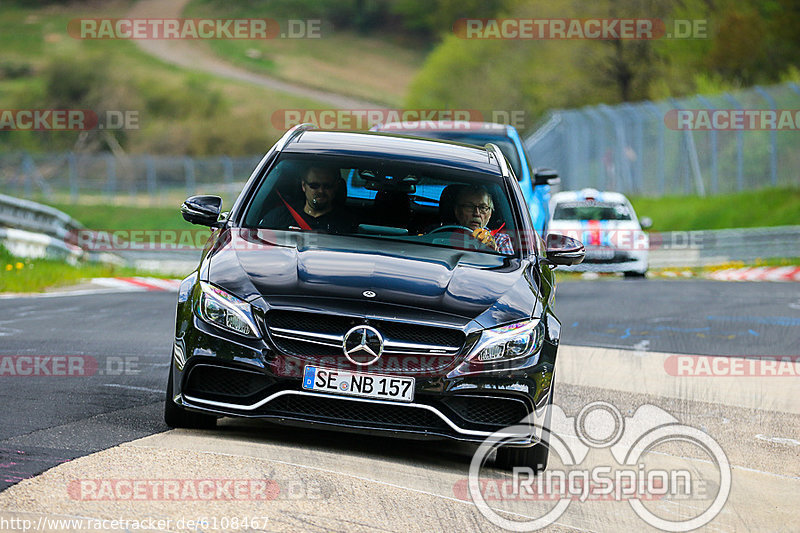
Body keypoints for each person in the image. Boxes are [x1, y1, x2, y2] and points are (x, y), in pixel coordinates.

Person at [261, 165, 356, 233]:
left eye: (327, 186)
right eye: (314, 186)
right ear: (303, 186)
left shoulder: (347, 223)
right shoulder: (279, 217)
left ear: (335, 187)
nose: (321, 191)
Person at [453, 185, 514, 254]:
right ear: (457, 211)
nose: (477, 213)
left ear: (490, 214)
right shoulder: (444, 236)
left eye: (483, 208)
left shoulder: (500, 241)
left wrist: (495, 254)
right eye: (469, 206)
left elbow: (507, 264)